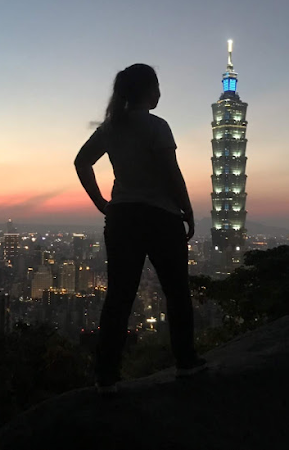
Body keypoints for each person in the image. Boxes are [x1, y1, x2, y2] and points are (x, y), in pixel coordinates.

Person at [74, 63, 207, 394]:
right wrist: (187, 210)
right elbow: (171, 174)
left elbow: (81, 162)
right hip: (160, 217)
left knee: (119, 296)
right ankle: (186, 362)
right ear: (146, 90)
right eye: (157, 87)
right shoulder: (157, 126)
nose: (160, 93)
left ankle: (106, 375)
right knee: (176, 291)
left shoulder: (111, 128)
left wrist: (102, 202)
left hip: (121, 218)